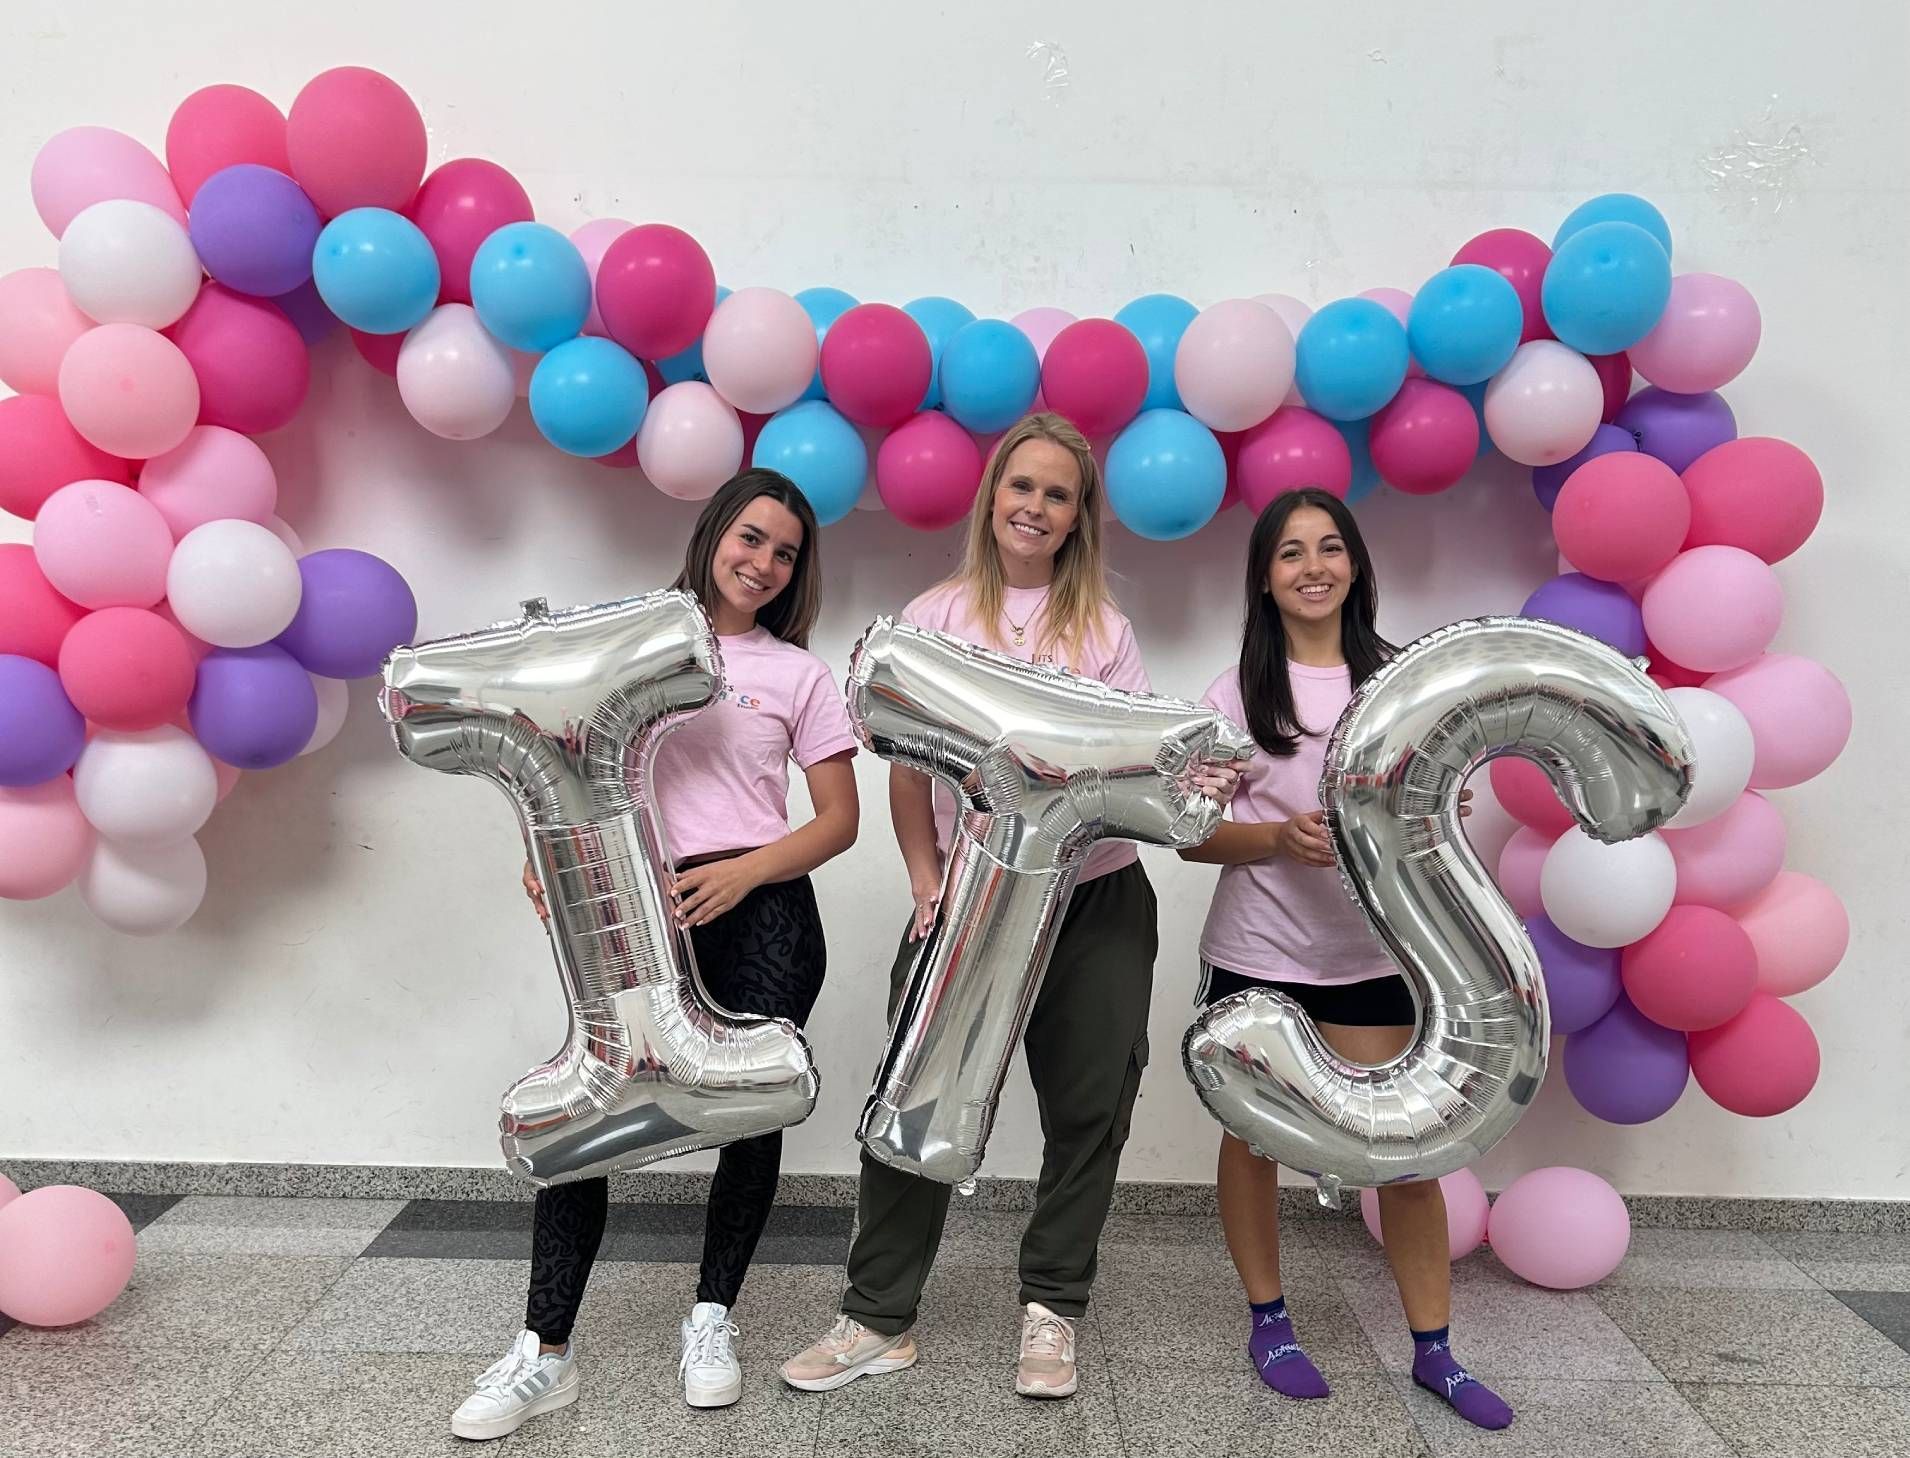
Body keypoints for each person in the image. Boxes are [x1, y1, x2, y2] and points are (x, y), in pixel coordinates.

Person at [779, 411, 1235, 1401]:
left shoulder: (1102, 633)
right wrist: (923, 881)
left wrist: (1197, 779)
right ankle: (875, 1317)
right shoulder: (936, 618)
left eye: (1056, 494)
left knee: (1088, 1107)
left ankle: (1051, 1309)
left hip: (1096, 899)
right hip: (969, 903)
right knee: (917, 1097)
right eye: (1019, 487)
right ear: (992, 498)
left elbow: (1138, 774)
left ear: (1078, 519)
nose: (1034, 506)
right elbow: (907, 774)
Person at [451, 468, 861, 1440]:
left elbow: (838, 822)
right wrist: (542, 859)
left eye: (784, 552)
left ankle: (711, 1319)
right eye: (750, 538)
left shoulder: (797, 673)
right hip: (638, 906)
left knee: (751, 1114)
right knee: (587, 1103)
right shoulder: (633, 646)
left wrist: (744, 873)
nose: (762, 562)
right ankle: (543, 1352)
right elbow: (558, 753)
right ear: (714, 532)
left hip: (761, 911)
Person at [1178, 486, 1512, 1431]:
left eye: (1330, 548)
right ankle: (1270, 1321)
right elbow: (1192, 834)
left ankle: (1435, 1352)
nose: (1313, 566)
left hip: (1376, 955)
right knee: (1255, 1142)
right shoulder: (1234, 693)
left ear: (1357, 564)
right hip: (1259, 954)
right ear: (1266, 579)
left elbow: (1441, 810)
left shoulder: (1404, 679)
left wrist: (1441, 815)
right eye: (1291, 553)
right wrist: (1277, 840)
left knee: (1404, 1153)